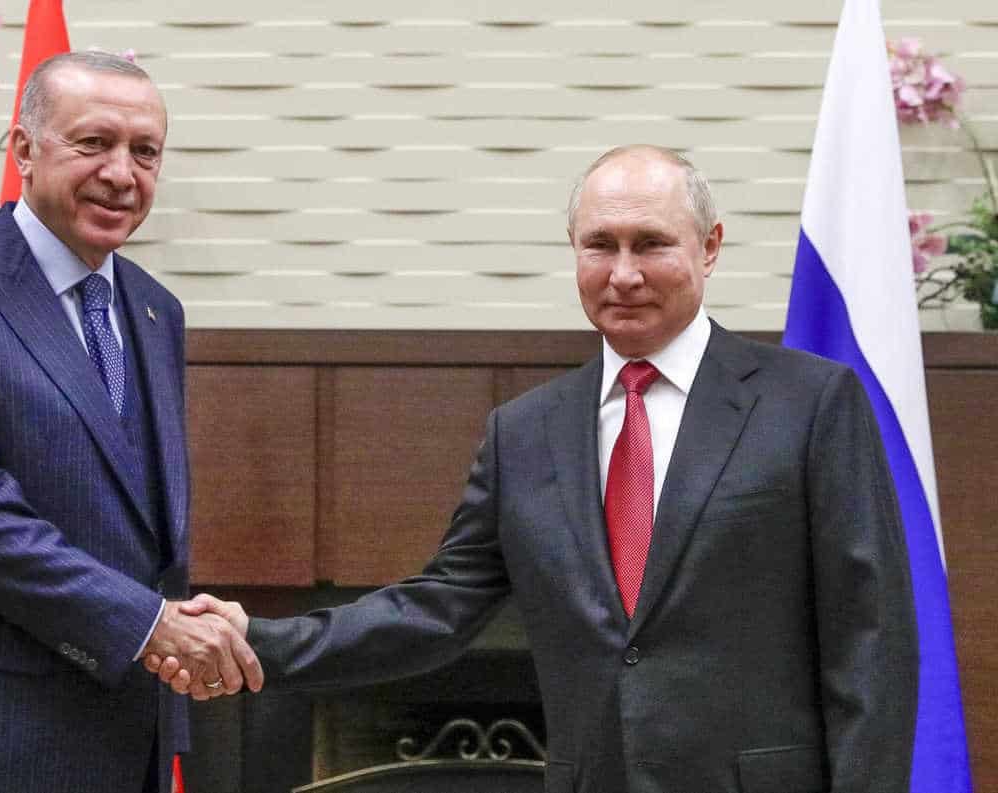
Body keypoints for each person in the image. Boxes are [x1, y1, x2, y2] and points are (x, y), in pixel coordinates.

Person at [152, 145, 919, 793]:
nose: (623, 273)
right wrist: (259, 637)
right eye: (600, 245)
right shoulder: (524, 432)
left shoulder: (810, 403)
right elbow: (434, 609)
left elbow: (873, 640)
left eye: (651, 243)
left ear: (710, 247)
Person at [0, 51, 260, 793]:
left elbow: (137, 519)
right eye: (94, 142)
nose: (122, 173)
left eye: (145, 152)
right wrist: (148, 624)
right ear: (24, 150)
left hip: (125, 733)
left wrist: (177, 623)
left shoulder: (155, 309)